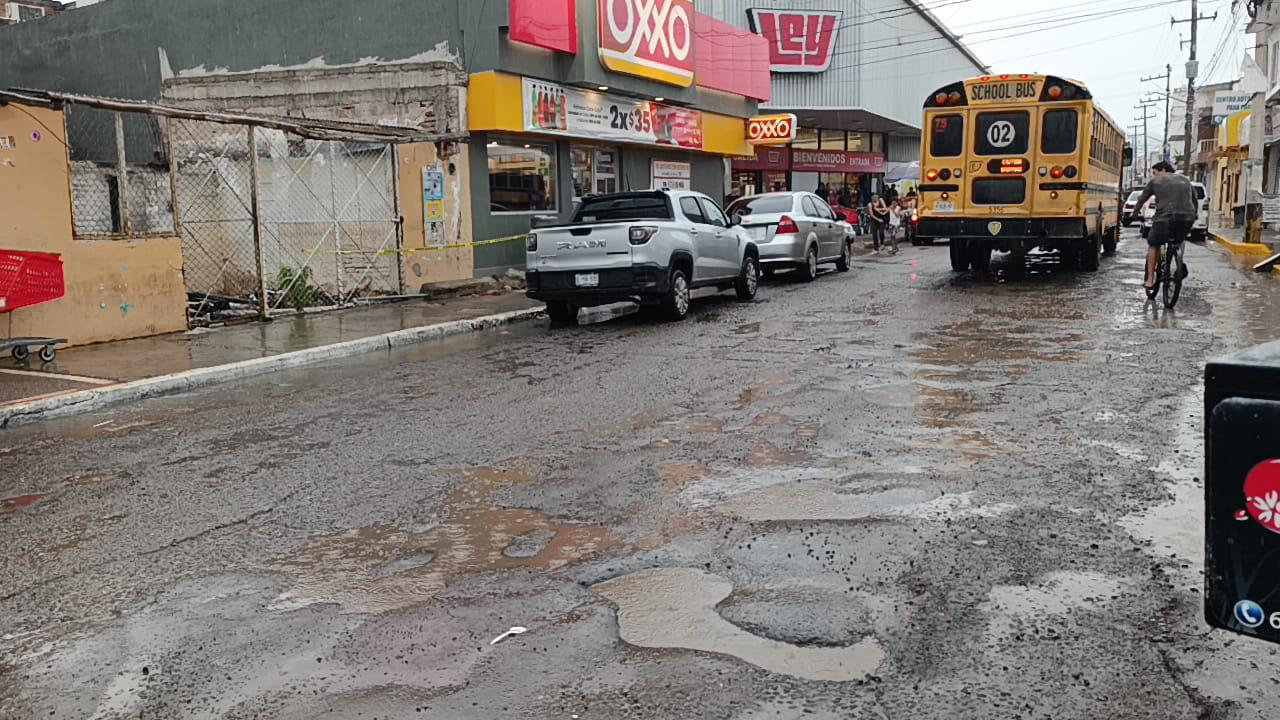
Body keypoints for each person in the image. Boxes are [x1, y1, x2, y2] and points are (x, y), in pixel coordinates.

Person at [1133, 161, 1195, 290]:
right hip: (1187, 218)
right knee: (1180, 239)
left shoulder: (1156, 181)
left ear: (1162, 169)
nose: (1153, 175)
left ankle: (1150, 279)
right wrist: (1194, 215)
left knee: (1153, 244)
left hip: (1164, 219)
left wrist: (1135, 214)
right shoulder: (1185, 180)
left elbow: (1141, 200)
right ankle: (1178, 264)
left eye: (1154, 172)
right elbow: (1194, 200)